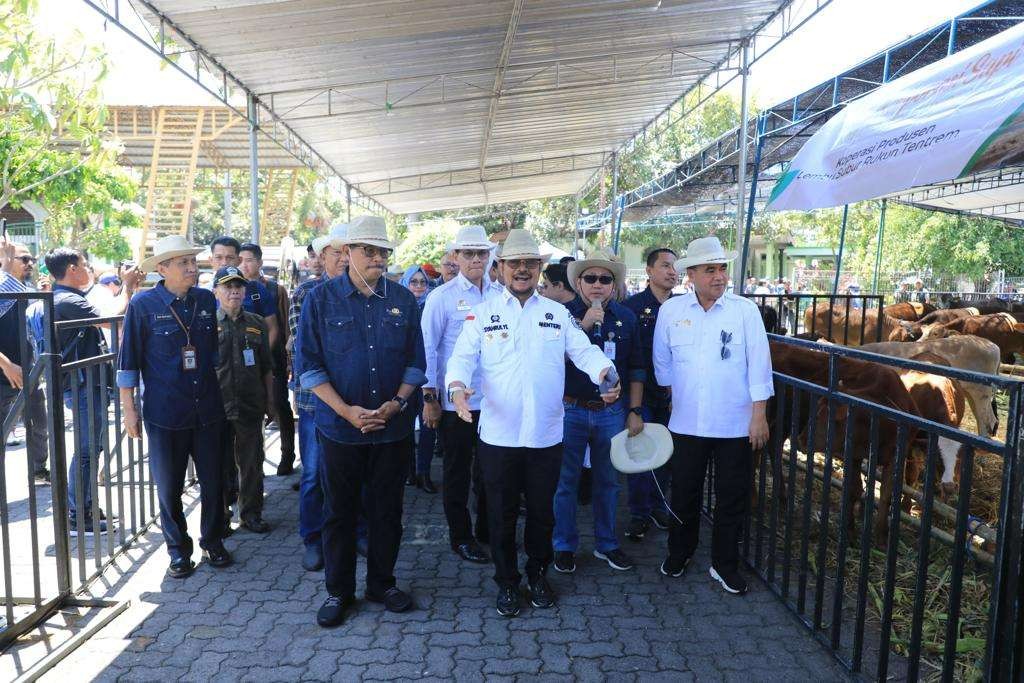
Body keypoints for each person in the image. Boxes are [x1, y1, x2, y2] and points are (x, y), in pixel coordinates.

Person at [446, 229, 619, 618]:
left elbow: (584, 352)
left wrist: (606, 372)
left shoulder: (556, 314)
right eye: (514, 263)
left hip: (545, 436)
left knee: (542, 513)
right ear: (501, 267)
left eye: (530, 263)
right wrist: (456, 387)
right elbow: (460, 357)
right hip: (498, 436)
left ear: (540, 268)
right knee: (502, 515)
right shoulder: (483, 313)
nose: (522, 269)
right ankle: (507, 582)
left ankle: (537, 575)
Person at [296, 215, 425, 627]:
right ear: (347, 252)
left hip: (393, 428)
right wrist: (346, 412)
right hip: (340, 430)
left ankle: (382, 583)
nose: (377, 258)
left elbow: (416, 364)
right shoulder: (320, 299)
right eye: (368, 250)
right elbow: (309, 368)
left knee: (388, 510)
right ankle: (339, 591)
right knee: (339, 512)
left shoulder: (403, 300)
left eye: (382, 251)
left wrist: (397, 403)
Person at [652, 236, 772, 593]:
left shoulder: (744, 311)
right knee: (684, 493)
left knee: (731, 496)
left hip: (734, 424)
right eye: (710, 270)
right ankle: (680, 552)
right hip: (686, 423)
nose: (719, 276)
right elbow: (663, 361)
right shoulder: (672, 312)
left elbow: (759, 366)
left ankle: (724, 564)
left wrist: (759, 416)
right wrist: (676, 396)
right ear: (691, 274)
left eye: (722, 268)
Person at [118, 235, 231, 579]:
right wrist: (128, 410)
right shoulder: (143, 305)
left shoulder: (205, 300)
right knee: (169, 487)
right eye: (183, 263)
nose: (192, 268)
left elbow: (210, 352)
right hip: (165, 411)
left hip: (208, 408)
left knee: (215, 481)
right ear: (163, 268)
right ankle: (178, 551)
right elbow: (128, 363)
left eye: (193, 262)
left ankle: (212, 540)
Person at [553, 250, 644, 574]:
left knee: (609, 482)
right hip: (570, 409)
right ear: (578, 282)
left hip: (611, 413)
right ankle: (563, 545)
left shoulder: (627, 317)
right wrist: (581, 325)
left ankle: (607, 544)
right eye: (590, 278)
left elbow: (635, 368)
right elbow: (549, 361)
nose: (597, 285)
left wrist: (634, 409)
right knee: (566, 482)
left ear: (614, 285)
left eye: (605, 279)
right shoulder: (559, 315)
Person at [421, 225, 502, 565]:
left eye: (481, 253)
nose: (475, 259)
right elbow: (428, 350)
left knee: (491, 470)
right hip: (457, 403)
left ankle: (486, 529)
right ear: (455, 257)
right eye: (468, 253)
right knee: (456, 472)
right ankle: (461, 536)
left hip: (496, 400)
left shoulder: (501, 295)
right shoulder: (441, 297)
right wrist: (430, 398)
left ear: (489, 256)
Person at [288, 225, 349, 572]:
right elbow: (303, 349)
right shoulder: (307, 292)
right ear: (322, 256)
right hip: (316, 401)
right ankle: (312, 537)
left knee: (353, 473)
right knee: (313, 473)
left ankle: (354, 530)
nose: (342, 258)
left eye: (346, 251)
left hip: (357, 402)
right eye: (335, 252)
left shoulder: (369, 291)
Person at [46, 248, 115, 535]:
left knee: (92, 447)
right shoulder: (67, 300)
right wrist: (129, 287)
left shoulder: (67, 297)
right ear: (72, 268)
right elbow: (110, 318)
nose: (90, 270)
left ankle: (86, 505)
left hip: (87, 383)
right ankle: (77, 514)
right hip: (83, 384)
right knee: (86, 450)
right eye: (86, 265)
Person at [214, 266, 275, 534]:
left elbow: (266, 368)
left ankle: (251, 513)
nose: (234, 291)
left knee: (251, 462)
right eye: (227, 286)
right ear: (216, 291)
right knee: (218, 465)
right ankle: (220, 516)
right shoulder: (205, 324)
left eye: (238, 286)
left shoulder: (256, 322)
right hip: (216, 405)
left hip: (250, 404)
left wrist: (270, 402)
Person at [622, 248, 677, 541]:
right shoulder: (631, 307)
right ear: (649, 271)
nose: (672, 272)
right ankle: (638, 512)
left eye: (675, 267)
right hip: (640, 390)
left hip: (673, 392)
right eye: (665, 266)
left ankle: (658, 505)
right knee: (641, 451)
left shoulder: (683, 306)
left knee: (665, 452)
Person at [238, 242, 296, 476]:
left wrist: (283, 355)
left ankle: (287, 454)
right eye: (240, 260)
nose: (244, 264)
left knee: (280, 405)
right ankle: (254, 462)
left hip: (273, 359)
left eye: (249, 259)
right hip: (243, 364)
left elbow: (282, 326)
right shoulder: (232, 288)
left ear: (260, 262)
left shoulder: (274, 290)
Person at [0, 238, 48, 483]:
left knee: (40, 426)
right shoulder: (5, 285)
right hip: (4, 376)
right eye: (24, 258)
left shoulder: (24, 289)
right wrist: (6, 364)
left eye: (32, 259)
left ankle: (39, 469)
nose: (30, 263)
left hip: (29, 372)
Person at [399, 265, 438, 492]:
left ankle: (423, 471)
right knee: (404, 426)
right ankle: (409, 471)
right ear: (406, 283)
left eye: (422, 282)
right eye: (414, 282)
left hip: (427, 376)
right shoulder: (399, 306)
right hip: (403, 377)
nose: (419, 286)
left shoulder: (431, 306)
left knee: (427, 427)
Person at [208, 236, 279, 349]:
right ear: (211, 260)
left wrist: (263, 359)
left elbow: (272, 329)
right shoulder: (203, 294)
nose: (224, 262)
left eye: (230, 257)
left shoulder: (257, 290)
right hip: (217, 365)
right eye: (219, 257)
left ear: (239, 260)